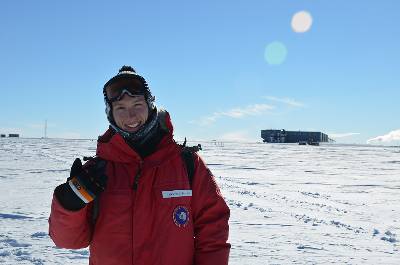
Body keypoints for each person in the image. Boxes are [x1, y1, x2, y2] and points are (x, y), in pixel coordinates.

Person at [48, 66, 231, 265]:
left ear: (150, 105)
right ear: (110, 114)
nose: (131, 116)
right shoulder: (96, 172)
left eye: (137, 105)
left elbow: (213, 230)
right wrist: (69, 205)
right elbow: (68, 241)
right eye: (121, 108)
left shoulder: (187, 164)